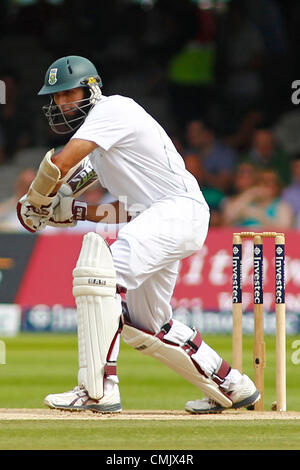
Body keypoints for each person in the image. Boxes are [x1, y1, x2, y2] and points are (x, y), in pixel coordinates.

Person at [17, 55, 259, 414]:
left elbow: (61, 164)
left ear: (91, 88)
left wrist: (35, 201)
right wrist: (72, 211)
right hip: (164, 219)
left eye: (67, 94)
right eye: (56, 97)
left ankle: (97, 390)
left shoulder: (113, 110)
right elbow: (125, 210)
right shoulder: (101, 152)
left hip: (176, 212)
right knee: (146, 325)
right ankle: (232, 385)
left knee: (99, 277)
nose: (61, 103)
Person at [222, 167, 294, 229]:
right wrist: (250, 194)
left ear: (277, 187)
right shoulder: (246, 203)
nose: (268, 186)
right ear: (256, 184)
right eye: (264, 182)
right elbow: (228, 217)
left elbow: (284, 229)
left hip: (270, 242)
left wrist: (260, 215)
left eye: (272, 182)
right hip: (245, 242)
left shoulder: (282, 206)